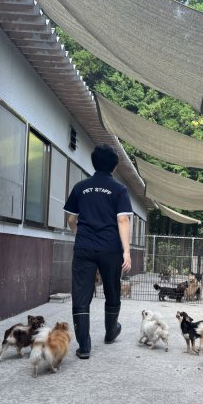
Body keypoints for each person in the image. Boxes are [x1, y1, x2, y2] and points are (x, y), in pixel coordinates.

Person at [64, 144, 133, 359]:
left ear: (94, 163)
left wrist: (80, 236)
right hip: (110, 248)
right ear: (113, 167)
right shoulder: (119, 189)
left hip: (84, 247)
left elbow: (71, 219)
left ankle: (84, 347)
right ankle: (110, 332)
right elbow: (122, 219)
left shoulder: (80, 187)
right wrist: (126, 252)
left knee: (81, 296)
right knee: (112, 291)